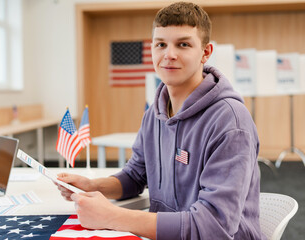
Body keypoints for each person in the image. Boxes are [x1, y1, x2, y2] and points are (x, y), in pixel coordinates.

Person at [56, 2, 264, 239]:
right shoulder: (154, 113)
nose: (169, 55)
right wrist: (93, 185)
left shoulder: (230, 122)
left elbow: (213, 225)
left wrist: (112, 217)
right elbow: (136, 176)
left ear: (205, 53)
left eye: (183, 44)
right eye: (161, 44)